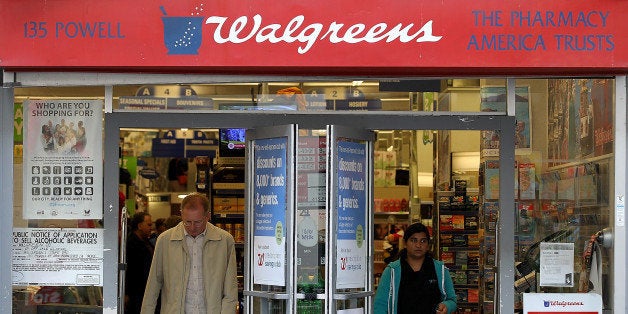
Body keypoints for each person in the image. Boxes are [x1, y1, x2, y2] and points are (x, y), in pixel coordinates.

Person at [141, 192, 238, 314]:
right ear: (181, 214)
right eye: (187, 221)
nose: (192, 227)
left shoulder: (225, 240)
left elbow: (231, 290)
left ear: (207, 216)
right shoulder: (165, 240)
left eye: (197, 222)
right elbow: (153, 285)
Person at [374, 223, 457, 314]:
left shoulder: (440, 269)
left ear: (428, 245)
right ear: (405, 243)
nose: (418, 245)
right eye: (413, 240)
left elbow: (452, 300)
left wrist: (447, 306)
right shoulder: (392, 271)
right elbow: (379, 306)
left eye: (423, 241)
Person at [125, 212, 155, 314]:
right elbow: (129, 270)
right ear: (139, 226)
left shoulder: (146, 241)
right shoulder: (131, 244)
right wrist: (127, 293)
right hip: (136, 292)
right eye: (149, 224)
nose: (151, 227)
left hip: (146, 290)